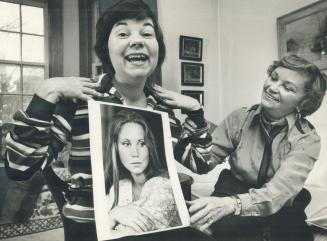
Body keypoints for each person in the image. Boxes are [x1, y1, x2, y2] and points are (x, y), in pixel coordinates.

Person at [4, 0, 211, 241]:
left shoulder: (164, 107)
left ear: (157, 49)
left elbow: (200, 163)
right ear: (106, 48)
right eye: (123, 33)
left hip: (151, 227)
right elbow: (19, 168)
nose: (137, 40)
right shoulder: (82, 97)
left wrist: (195, 111)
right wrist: (47, 91)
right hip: (91, 228)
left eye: (147, 33)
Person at [187, 54, 326, 241]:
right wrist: (195, 124)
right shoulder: (240, 117)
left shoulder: (308, 139)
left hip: (281, 205)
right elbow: (203, 165)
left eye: (287, 87)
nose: (272, 87)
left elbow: (278, 193)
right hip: (232, 190)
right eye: (274, 77)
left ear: (303, 102)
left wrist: (233, 205)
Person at [103, 110, 180, 238]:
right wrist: (113, 215)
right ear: (115, 148)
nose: (135, 153)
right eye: (126, 144)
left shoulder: (162, 185)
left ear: (150, 147)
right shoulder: (120, 187)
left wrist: (109, 220)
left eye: (142, 143)